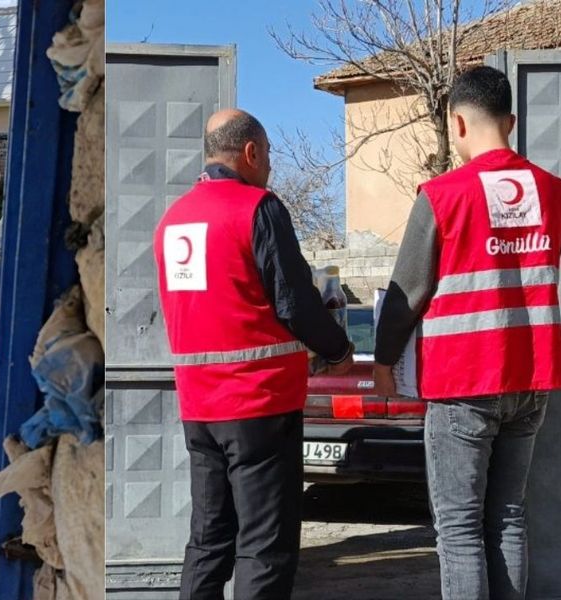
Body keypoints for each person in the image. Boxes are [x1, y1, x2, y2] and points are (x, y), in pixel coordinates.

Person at [374, 66, 561, 600]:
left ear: (456, 123)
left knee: (458, 530)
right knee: (509, 517)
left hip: (463, 383)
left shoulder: (443, 194)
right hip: (531, 381)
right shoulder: (552, 192)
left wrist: (383, 361)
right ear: (511, 122)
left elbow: (407, 291)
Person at [153, 109, 354, 599]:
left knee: (209, 540)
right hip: (259, 405)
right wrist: (339, 349)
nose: (269, 167)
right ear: (251, 152)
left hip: (199, 409)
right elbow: (294, 302)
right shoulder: (257, 208)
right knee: (266, 546)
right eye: (267, 156)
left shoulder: (173, 219)